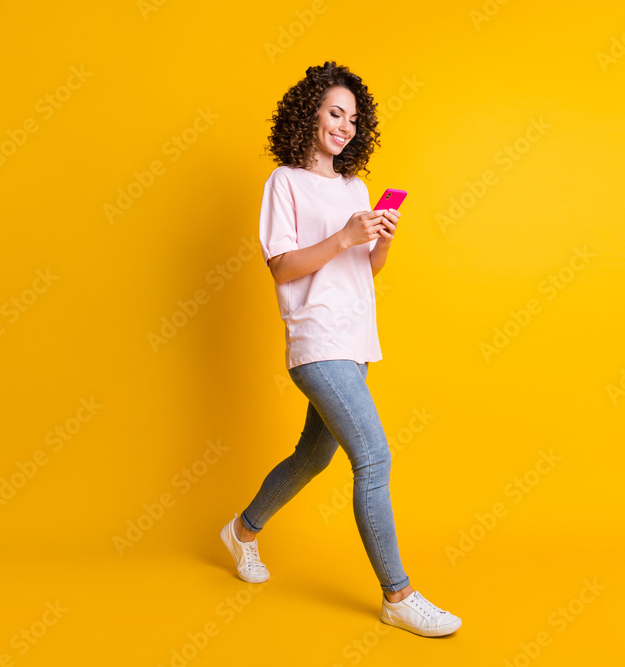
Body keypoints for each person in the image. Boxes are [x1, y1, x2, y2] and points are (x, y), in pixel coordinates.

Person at [219, 61, 461, 638]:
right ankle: (398, 596)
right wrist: (344, 235)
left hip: (355, 342)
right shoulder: (284, 183)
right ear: (310, 114)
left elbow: (362, 271)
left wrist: (379, 242)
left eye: (353, 119)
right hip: (317, 338)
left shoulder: (354, 188)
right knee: (373, 459)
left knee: (313, 456)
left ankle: (242, 531)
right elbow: (282, 267)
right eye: (335, 113)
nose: (345, 126)